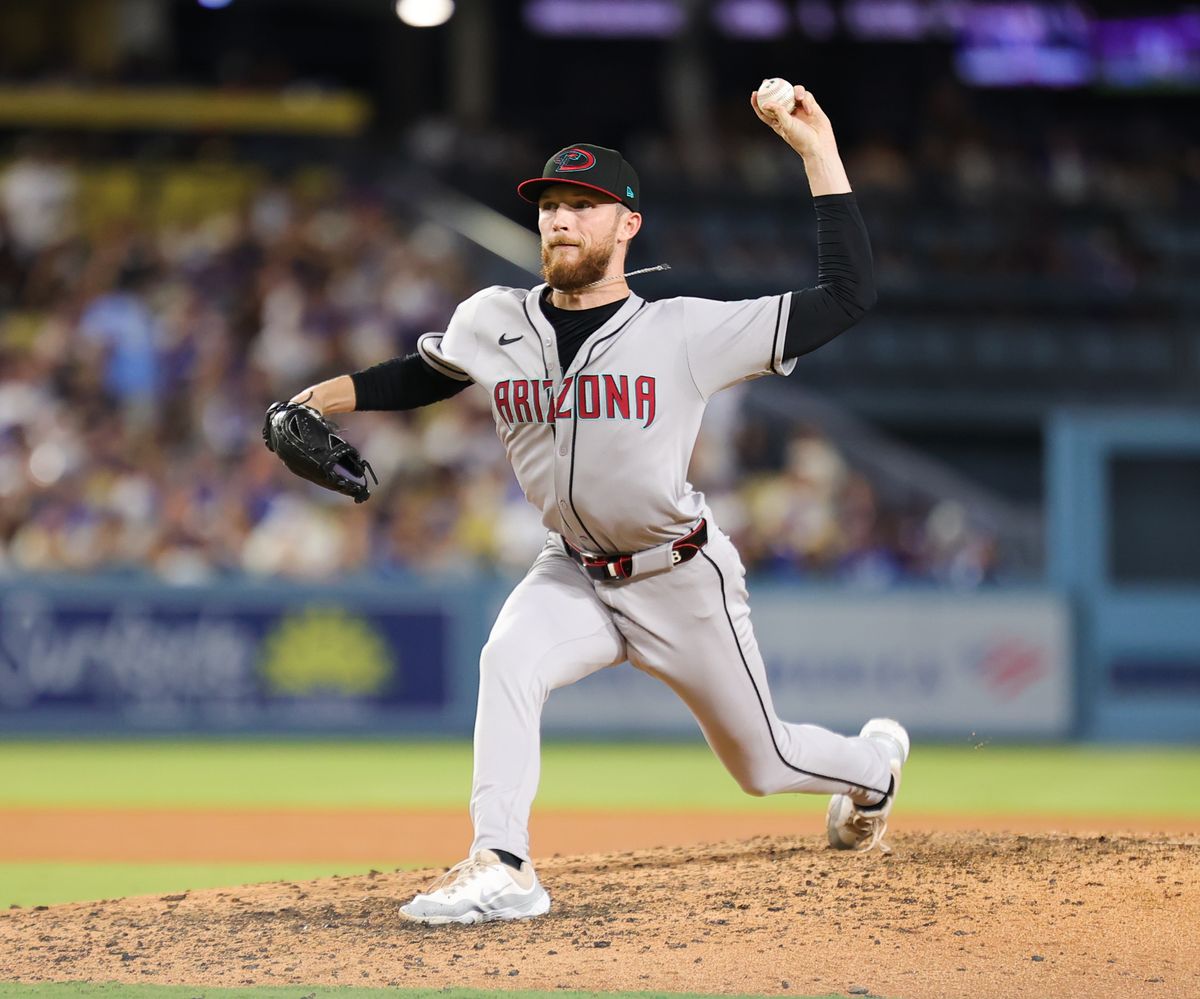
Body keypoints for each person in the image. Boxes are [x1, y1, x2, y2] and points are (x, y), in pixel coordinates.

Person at [288, 84, 908, 925]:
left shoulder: (686, 331)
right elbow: (418, 374)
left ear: (627, 227)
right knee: (508, 658)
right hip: (572, 571)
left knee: (764, 765)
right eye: (550, 204)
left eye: (585, 204)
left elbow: (847, 297)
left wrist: (817, 153)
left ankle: (874, 767)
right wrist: (311, 403)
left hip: (679, 576)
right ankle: (501, 863)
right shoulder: (491, 319)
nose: (561, 219)